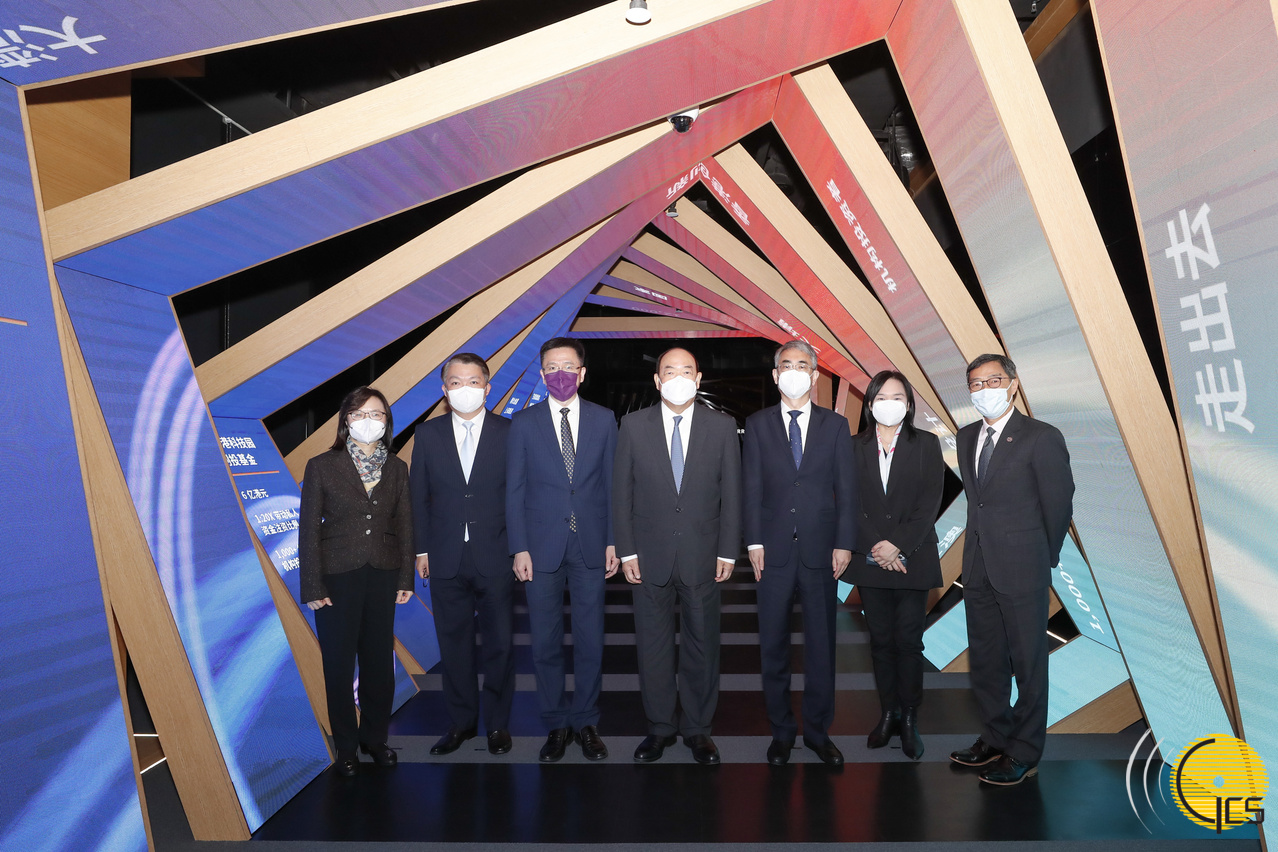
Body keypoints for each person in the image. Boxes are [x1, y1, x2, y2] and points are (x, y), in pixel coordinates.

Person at [949, 354, 1073, 786]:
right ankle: (995, 737)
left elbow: (1058, 506)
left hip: (1023, 568)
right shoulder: (966, 437)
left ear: (1013, 384)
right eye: (976, 384)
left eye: (993, 381)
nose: (984, 390)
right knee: (986, 661)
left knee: (1028, 663)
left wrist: (1041, 556)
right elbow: (978, 502)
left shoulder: (1041, 437)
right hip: (977, 566)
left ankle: (1024, 751)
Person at [612, 347, 741, 765]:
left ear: (698, 379)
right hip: (648, 555)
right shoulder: (633, 426)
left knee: (703, 645)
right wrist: (627, 550)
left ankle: (698, 729)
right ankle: (660, 727)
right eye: (670, 371)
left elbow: (732, 493)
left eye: (687, 371)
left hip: (704, 553)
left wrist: (728, 550)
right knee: (653, 647)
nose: (679, 378)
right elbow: (621, 493)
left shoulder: (722, 427)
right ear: (657, 381)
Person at [742, 340, 856, 767]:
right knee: (772, 646)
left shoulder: (836, 425)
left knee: (821, 648)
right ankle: (782, 732)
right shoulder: (757, 424)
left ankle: (818, 732)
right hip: (770, 552)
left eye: (802, 365)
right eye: (786, 365)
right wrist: (753, 542)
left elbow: (847, 489)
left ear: (814, 375)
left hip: (821, 550)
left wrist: (844, 542)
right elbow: (750, 487)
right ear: (775, 375)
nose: (794, 371)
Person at [507, 337, 620, 762]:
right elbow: (514, 490)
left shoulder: (604, 419)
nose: (560, 373)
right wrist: (519, 547)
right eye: (552, 367)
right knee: (545, 640)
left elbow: (612, 485)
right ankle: (556, 723)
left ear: (582, 373)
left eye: (568, 366)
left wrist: (613, 540)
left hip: (591, 544)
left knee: (591, 639)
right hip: (540, 548)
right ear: (542, 374)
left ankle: (587, 721)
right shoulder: (524, 423)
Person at [299, 386, 415, 777]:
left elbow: (405, 525)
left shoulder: (397, 468)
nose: (369, 421)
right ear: (346, 420)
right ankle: (346, 746)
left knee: (379, 664)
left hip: (383, 574)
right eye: (360, 413)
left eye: (377, 414)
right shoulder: (321, 465)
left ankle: (375, 739)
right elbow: (308, 529)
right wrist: (312, 585)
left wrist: (406, 576)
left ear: (387, 421)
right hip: (336, 577)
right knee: (338, 664)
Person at [410, 353, 516, 757]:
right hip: (444, 555)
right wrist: (421, 549)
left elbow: (519, 495)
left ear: (487, 388)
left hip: (497, 554)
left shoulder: (509, 431)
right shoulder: (428, 433)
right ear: (444, 390)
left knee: (500, 645)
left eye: (473, 382)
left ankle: (498, 725)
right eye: (456, 382)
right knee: (453, 644)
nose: (464, 389)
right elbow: (419, 495)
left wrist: (519, 548)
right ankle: (462, 723)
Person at [847, 370, 945, 760]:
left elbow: (929, 503)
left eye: (898, 397)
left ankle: (909, 719)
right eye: (882, 397)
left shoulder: (927, 444)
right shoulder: (853, 446)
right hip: (870, 558)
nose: (890, 403)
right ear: (870, 403)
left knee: (909, 642)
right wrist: (876, 546)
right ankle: (888, 713)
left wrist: (897, 545)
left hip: (913, 557)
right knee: (881, 642)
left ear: (908, 403)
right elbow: (848, 502)